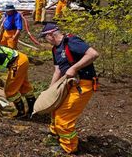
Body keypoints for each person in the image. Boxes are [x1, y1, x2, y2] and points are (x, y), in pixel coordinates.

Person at [39, 23, 99, 154]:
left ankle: (68, 148)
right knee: (54, 109)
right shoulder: (55, 49)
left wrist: (74, 68)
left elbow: (93, 54)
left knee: (63, 117)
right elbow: (57, 71)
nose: (45, 41)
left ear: (50, 35)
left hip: (82, 84)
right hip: (68, 84)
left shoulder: (71, 42)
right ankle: (55, 134)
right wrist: (50, 90)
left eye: (45, 38)